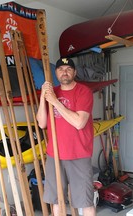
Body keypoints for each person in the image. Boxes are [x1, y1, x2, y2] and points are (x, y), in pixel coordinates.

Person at [36, 57, 96, 216]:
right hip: (54, 154)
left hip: (79, 154)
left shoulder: (84, 92)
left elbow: (79, 122)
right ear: (56, 72)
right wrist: (43, 97)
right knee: (57, 200)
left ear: (74, 72)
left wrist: (55, 102)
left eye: (68, 69)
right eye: (61, 69)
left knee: (85, 200)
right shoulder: (51, 92)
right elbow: (42, 123)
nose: (65, 72)